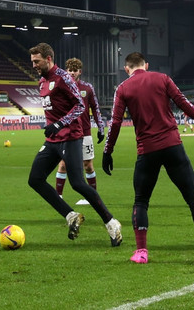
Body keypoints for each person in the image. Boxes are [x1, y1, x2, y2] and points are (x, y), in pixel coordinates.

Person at [102, 51, 194, 264]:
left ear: (126, 69)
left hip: (147, 150)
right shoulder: (162, 78)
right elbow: (183, 102)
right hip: (173, 146)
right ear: (146, 65)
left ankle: (141, 252)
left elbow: (114, 122)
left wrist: (108, 151)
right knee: (193, 198)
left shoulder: (122, 88)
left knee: (141, 201)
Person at [26, 43, 122, 246]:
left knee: (77, 183)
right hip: (53, 139)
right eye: (32, 61)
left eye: (37, 61)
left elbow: (80, 105)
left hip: (71, 137)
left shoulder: (63, 77)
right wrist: (53, 125)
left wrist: (60, 123)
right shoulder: (42, 82)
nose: (33, 64)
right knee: (35, 179)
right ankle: (70, 215)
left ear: (48, 58)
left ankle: (112, 223)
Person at [55, 58, 105, 201]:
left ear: (80, 72)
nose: (72, 73)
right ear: (66, 71)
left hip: (85, 133)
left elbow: (95, 108)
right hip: (67, 132)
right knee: (63, 164)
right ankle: (58, 196)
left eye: (75, 70)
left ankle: (92, 197)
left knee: (88, 166)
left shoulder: (87, 88)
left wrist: (100, 127)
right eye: (69, 70)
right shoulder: (60, 87)